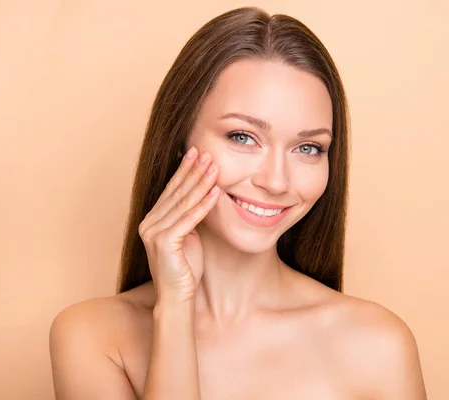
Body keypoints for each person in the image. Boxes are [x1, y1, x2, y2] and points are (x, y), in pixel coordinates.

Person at [49, 6, 427, 399]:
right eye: (243, 137)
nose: (276, 181)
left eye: (308, 147)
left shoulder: (378, 344)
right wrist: (175, 307)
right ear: (180, 139)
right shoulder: (92, 336)